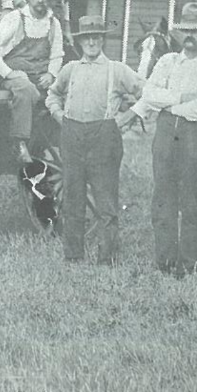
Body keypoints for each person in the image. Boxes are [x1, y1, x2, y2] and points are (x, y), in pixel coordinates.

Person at [128, 2, 197, 277]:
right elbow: (149, 94)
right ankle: (164, 261)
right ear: (178, 33)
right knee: (162, 198)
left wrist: (168, 103)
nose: (190, 36)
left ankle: (188, 264)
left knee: (192, 201)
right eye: (186, 30)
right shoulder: (166, 62)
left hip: (195, 138)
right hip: (164, 135)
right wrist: (180, 98)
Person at [46, 15, 144, 264]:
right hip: (72, 137)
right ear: (80, 42)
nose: (91, 42)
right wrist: (59, 115)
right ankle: (73, 255)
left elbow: (145, 93)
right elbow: (53, 94)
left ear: (102, 40)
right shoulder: (70, 69)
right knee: (73, 198)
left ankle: (106, 257)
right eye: (87, 38)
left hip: (104, 140)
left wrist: (126, 118)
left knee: (105, 200)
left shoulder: (117, 70)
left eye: (96, 37)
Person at [0, 0, 63, 164]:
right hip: (12, 77)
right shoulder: (15, 18)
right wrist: (8, 73)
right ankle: (18, 143)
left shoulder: (54, 24)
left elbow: (57, 54)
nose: (41, 0)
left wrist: (51, 74)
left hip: (40, 76)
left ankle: (57, 140)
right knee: (26, 90)